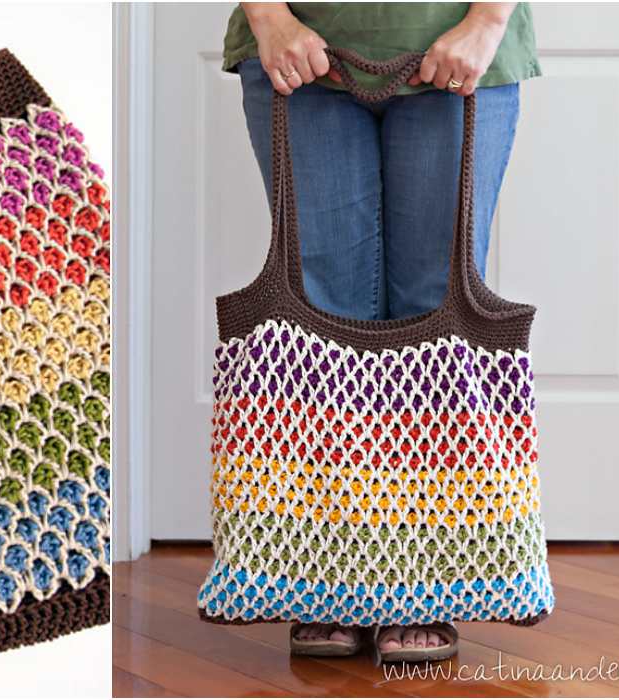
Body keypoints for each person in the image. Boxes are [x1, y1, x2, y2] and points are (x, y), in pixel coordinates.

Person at [224, 2, 539, 656]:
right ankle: (328, 579)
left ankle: (423, 582)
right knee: (316, 317)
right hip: (296, 52)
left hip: (459, 53)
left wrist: (484, 23)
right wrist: (268, 20)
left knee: (438, 315)